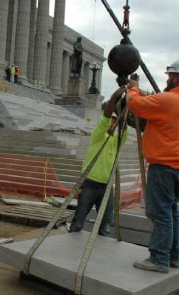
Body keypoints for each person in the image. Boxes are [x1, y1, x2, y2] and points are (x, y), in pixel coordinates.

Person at [126, 59, 179, 273]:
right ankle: (173, 256)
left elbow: (136, 105)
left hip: (165, 165)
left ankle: (159, 258)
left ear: (176, 78)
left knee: (159, 213)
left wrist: (133, 89)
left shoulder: (169, 100)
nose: (167, 80)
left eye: (169, 77)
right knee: (171, 211)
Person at [69, 88, 129, 237]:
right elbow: (105, 119)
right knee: (78, 221)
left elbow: (124, 126)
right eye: (111, 122)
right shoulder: (98, 136)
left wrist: (126, 105)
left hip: (107, 187)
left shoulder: (117, 142)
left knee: (106, 225)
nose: (112, 124)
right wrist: (114, 98)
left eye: (115, 122)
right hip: (89, 184)